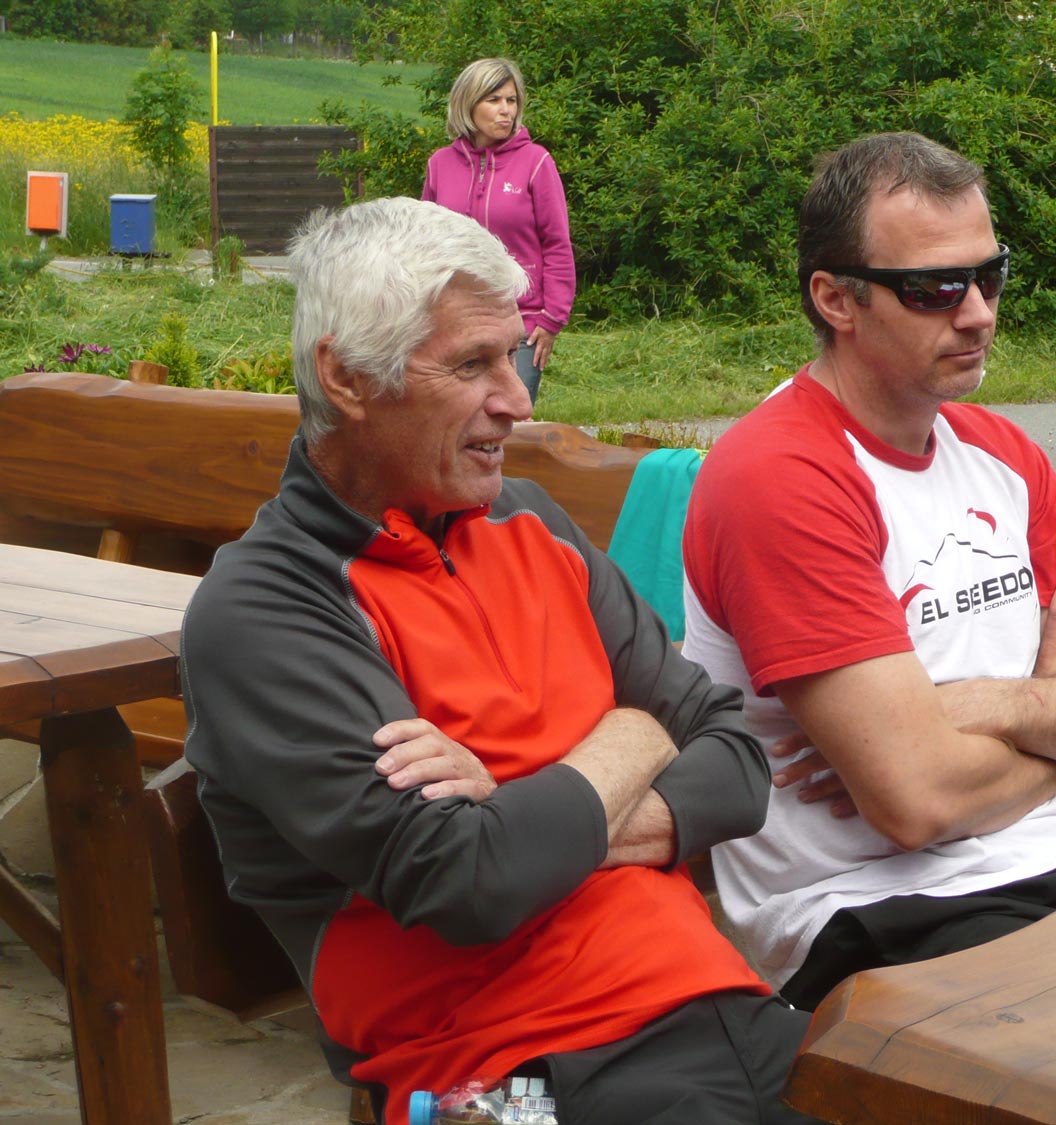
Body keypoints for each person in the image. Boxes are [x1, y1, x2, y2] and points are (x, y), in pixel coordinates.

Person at [182, 197, 814, 1125]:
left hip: (718, 1003)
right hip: (498, 1075)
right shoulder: (267, 609)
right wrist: (632, 734)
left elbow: (737, 763)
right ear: (346, 376)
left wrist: (524, 813)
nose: (518, 398)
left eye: (514, 355)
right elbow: (471, 883)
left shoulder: (529, 521)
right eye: (473, 363)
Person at [681, 132, 1056, 1011]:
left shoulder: (1000, 452)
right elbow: (916, 800)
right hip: (876, 916)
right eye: (934, 288)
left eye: (990, 275)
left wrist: (992, 704)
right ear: (834, 298)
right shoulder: (783, 474)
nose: (978, 312)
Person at [422, 57, 575, 404]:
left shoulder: (536, 162)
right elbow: (424, 246)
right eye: (493, 100)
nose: (506, 110)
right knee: (457, 419)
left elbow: (557, 245)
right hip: (455, 321)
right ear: (468, 104)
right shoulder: (439, 165)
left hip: (521, 324)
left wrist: (552, 319)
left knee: (507, 417)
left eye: (511, 100)